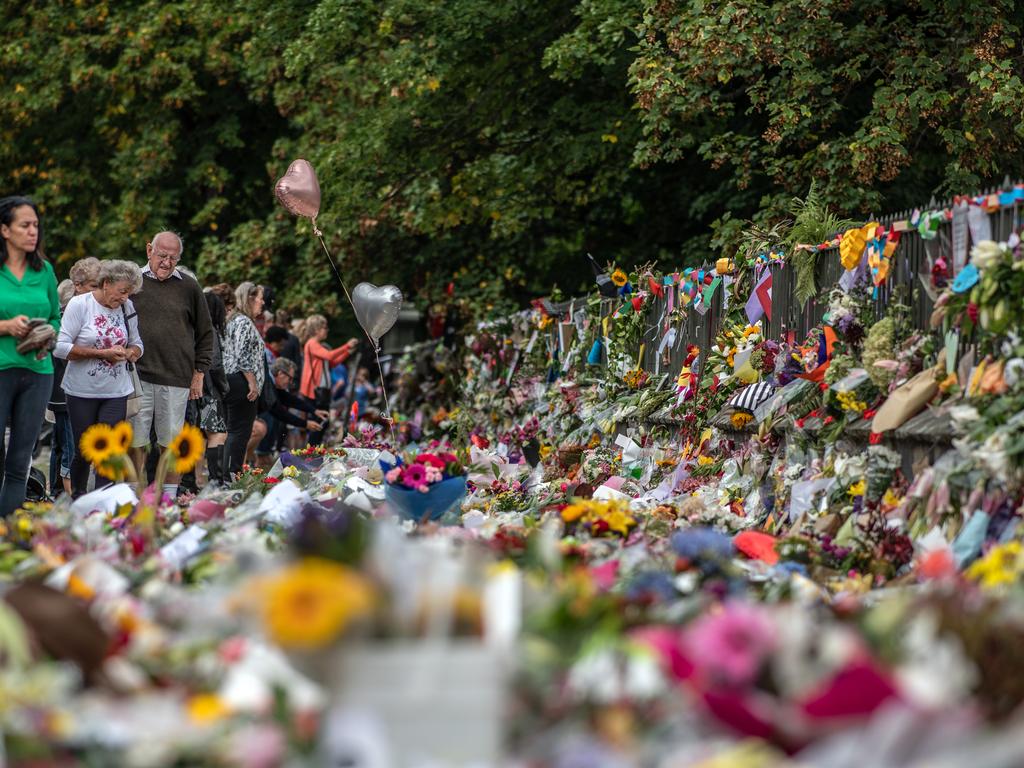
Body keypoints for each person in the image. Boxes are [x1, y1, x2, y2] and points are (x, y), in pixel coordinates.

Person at [129, 231, 213, 498]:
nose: (166, 262)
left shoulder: (189, 286)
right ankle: (130, 496)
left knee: (172, 444)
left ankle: (167, 498)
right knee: (136, 441)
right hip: (137, 376)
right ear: (148, 251)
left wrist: (199, 372)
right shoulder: (133, 283)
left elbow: (205, 332)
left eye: (173, 258)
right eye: (162, 255)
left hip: (177, 377)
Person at [54, 261, 144, 497]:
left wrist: (131, 353)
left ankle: (105, 504)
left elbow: (137, 343)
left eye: (129, 293)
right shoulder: (80, 304)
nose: (125, 298)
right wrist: (100, 354)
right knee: (85, 450)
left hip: (116, 391)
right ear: (106, 284)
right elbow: (60, 347)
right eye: (122, 291)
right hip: (81, 391)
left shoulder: (127, 307)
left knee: (110, 451)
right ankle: (79, 497)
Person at [0, 196, 61, 516]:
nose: (32, 231)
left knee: (20, 459)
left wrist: (46, 334)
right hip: (1, 368)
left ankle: (7, 536)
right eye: (24, 225)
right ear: (5, 230)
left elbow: (55, 317)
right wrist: (6, 326)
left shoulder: (45, 270)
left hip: (38, 371)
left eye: (36, 225)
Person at [221, 282, 265, 476]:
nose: (262, 302)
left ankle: (228, 474)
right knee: (239, 432)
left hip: (233, 379)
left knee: (233, 432)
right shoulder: (242, 322)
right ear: (248, 298)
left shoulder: (234, 320)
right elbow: (243, 354)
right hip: (240, 381)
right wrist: (252, 382)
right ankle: (231, 475)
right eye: (259, 298)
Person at [255, 357, 329, 466]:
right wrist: (305, 424)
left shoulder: (272, 383)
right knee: (261, 455)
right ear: (280, 373)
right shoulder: (268, 384)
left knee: (265, 457)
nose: (290, 382)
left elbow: (289, 399)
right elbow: (279, 412)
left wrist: (314, 411)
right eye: (290, 379)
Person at [299, 314, 356, 445]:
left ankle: (314, 450)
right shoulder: (312, 343)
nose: (327, 330)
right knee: (319, 422)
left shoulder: (317, 345)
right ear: (316, 329)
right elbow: (329, 356)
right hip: (315, 391)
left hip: (321, 391)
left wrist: (348, 352)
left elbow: (331, 363)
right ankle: (312, 451)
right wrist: (346, 346)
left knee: (323, 422)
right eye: (324, 327)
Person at [198, 289, 229, 485]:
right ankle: (216, 479)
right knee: (217, 433)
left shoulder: (196, 329)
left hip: (197, 389)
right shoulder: (212, 332)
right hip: (210, 391)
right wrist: (224, 387)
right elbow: (215, 364)